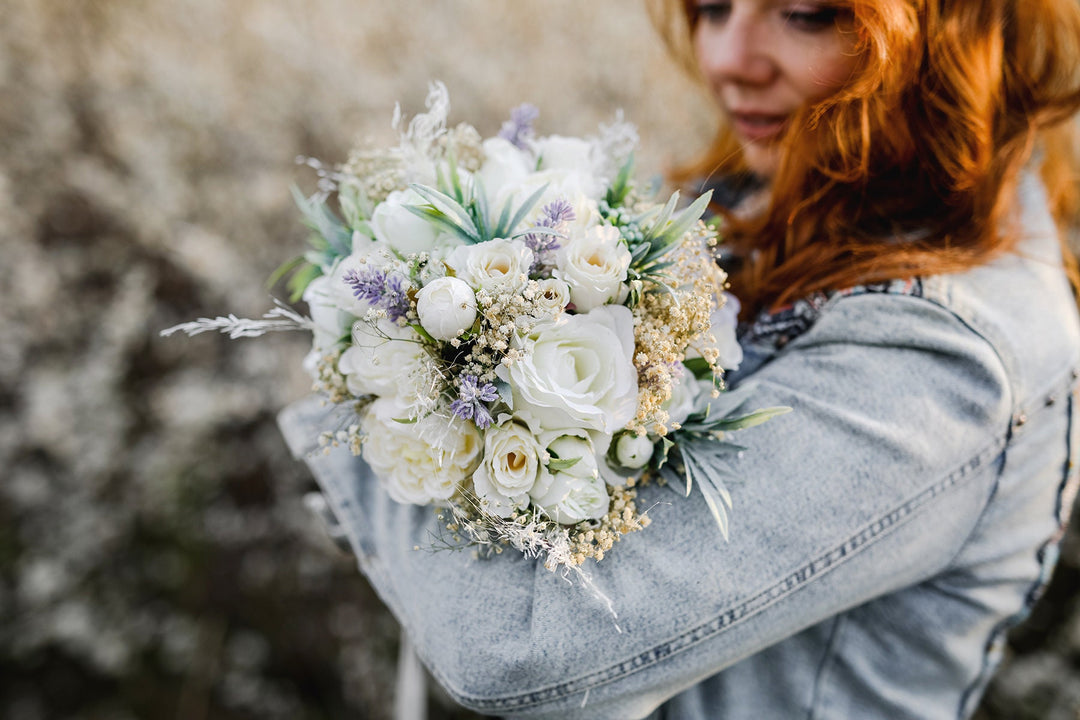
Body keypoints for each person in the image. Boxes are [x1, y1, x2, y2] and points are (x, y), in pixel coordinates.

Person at [279, 0, 1080, 717]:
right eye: (711, 5)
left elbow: (517, 646)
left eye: (804, 13)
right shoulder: (759, 199)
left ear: (953, 27)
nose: (730, 57)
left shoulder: (944, 358)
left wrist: (385, 390)